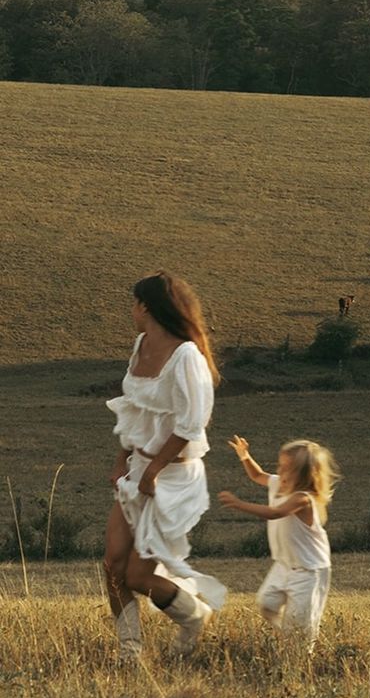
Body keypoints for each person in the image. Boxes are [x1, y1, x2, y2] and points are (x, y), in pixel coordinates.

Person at [103, 271, 227, 663]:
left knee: (138, 576)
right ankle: (130, 654)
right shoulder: (140, 345)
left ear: (146, 306)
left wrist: (154, 468)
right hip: (139, 468)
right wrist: (124, 460)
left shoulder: (187, 356)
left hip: (172, 476)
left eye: (134, 304)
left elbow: (191, 424)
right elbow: (135, 410)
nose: (132, 312)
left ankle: (194, 616)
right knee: (112, 566)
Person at [219, 436, 338, 652]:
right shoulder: (277, 483)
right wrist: (245, 456)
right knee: (266, 604)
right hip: (283, 565)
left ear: (304, 476)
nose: (280, 472)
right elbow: (257, 475)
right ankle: (289, 636)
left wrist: (239, 504)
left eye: (286, 469)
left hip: (309, 571)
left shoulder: (303, 499)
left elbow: (275, 513)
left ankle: (301, 656)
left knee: (301, 627)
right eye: (279, 466)